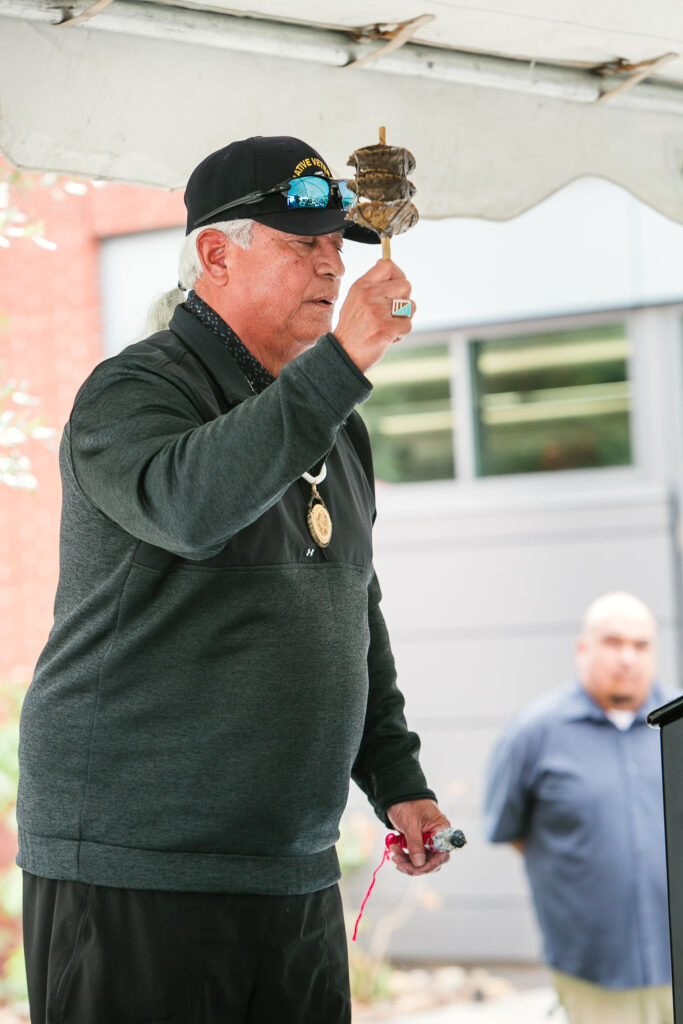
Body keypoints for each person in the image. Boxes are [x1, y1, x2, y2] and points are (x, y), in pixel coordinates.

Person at [17, 135, 451, 1024]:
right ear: (216, 253)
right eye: (303, 245)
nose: (332, 264)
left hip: (286, 861)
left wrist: (397, 777)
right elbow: (193, 507)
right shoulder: (132, 393)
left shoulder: (329, 415)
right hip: (139, 864)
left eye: (339, 245)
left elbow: (347, 610)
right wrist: (342, 364)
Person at [485, 591, 673, 1024]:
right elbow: (512, 831)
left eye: (641, 645)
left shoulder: (678, 723)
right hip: (594, 973)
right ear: (583, 649)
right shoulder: (532, 733)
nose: (627, 657)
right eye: (613, 642)